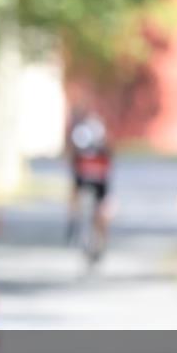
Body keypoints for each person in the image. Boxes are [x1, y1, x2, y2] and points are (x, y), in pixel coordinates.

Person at [66, 108, 113, 257]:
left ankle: (76, 222)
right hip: (95, 180)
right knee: (101, 206)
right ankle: (77, 222)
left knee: (99, 207)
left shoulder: (88, 146)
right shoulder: (98, 147)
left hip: (94, 181)